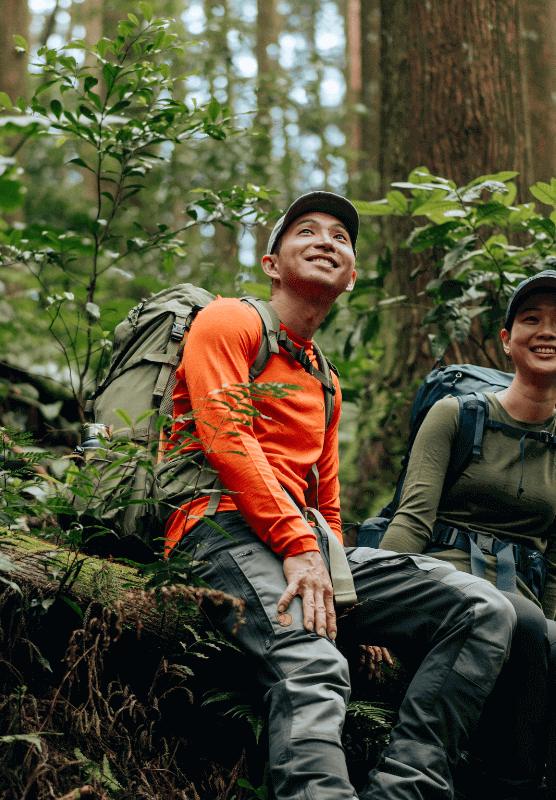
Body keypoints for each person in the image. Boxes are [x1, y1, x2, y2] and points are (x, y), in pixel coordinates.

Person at [160, 190, 517, 800]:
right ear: (272, 263)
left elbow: (325, 504)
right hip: (216, 527)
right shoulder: (230, 320)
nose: (327, 240)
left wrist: (352, 596)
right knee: (314, 663)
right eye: (306, 230)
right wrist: (297, 545)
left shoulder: (324, 379)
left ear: (350, 278)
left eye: (341, 238)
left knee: (484, 610)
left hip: (300, 544)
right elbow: (225, 438)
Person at [379, 269, 556, 800]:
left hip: (521, 609)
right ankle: (510, 787)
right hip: (440, 592)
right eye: (530, 319)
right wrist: (381, 617)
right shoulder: (454, 415)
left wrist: (546, 639)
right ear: (507, 341)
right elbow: (412, 519)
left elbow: (554, 556)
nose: (546, 331)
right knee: (520, 619)